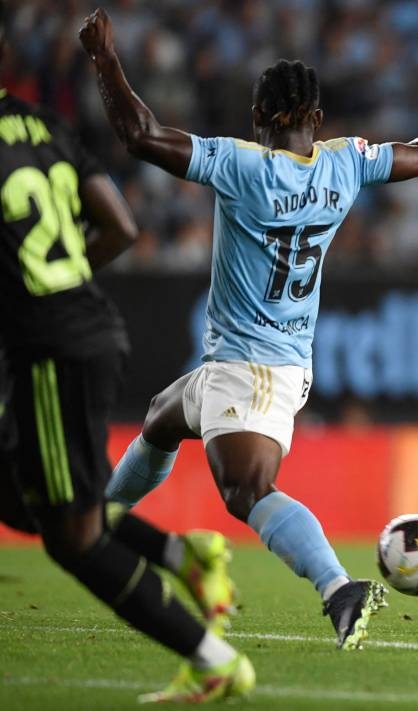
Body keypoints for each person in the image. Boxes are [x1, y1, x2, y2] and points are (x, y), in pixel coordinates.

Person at [79, 8, 418, 649]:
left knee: (246, 489)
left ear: (256, 116)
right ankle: (98, 526)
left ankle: (338, 587)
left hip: (252, 370)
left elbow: (140, 135)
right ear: (317, 119)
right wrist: (382, 151)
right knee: (163, 417)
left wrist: (105, 59)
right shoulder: (344, 164)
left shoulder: (239, 164)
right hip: (269, 362)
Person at [0, 3, 252, 702]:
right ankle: (181, 554)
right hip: (84, 329)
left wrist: (33, 295)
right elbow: (120, 226)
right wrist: (58, 280)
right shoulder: (44, 127)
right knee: (22, 502)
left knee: (71, 538)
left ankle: (210, 658)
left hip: (49, 348)